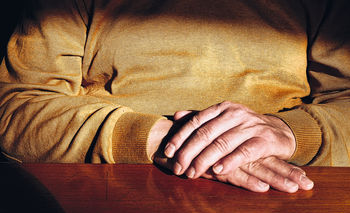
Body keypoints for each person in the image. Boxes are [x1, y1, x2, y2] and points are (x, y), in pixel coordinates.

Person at [0, 0, 349, 193]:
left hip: (286, 187)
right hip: (108, 191)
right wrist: (165, 140)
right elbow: (15, 106)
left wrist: (285, 132)